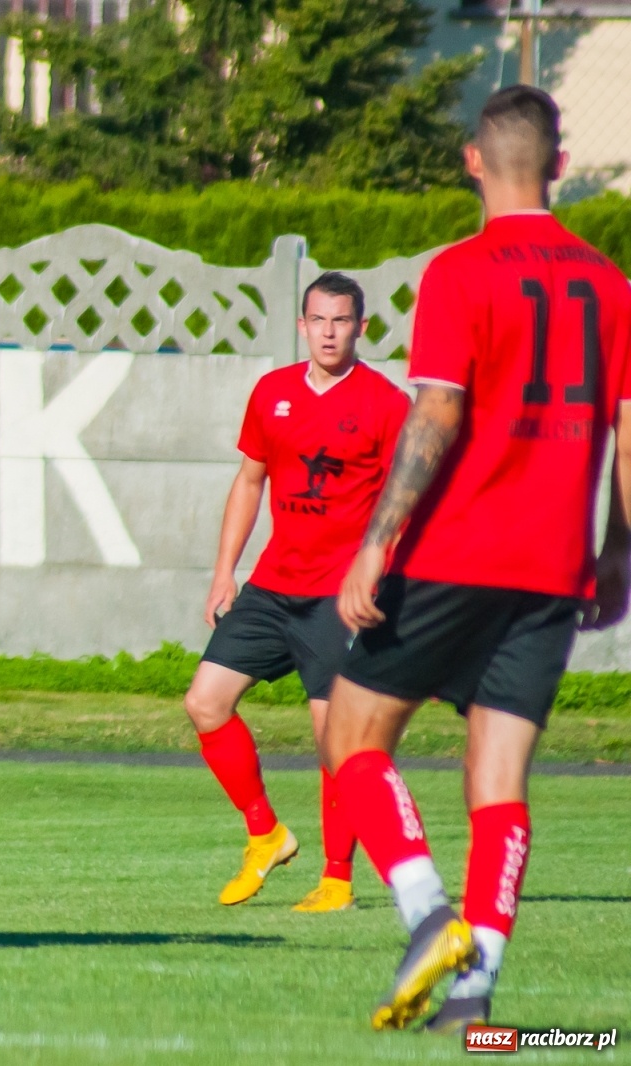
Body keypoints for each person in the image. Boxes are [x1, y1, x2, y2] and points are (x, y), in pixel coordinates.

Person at [321, 85, 631, 1032]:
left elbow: (438, 413)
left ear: (470, 161)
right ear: (562, 168)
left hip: (458, 549)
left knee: (351, 737)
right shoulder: (614, 286)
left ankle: (428, 919)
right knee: (500, 782)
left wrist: (375, 543)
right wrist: (619, 554)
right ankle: (476, 996)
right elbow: (627, 432)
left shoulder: (460, 272)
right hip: (552, 567)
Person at [184, 272, 408, 913]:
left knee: (335, 740)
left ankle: (337, 878)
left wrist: (382, 573)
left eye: (342, 321)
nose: (329, 331)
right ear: (302, 325)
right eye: (319, 320)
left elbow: (405, 499)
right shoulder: (273, 392)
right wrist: (225, 570)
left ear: (362, 328)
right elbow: (250, 480)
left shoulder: (384, 403)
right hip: (271, 586)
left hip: (338, 598)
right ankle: (267, 834)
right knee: (205, 702)